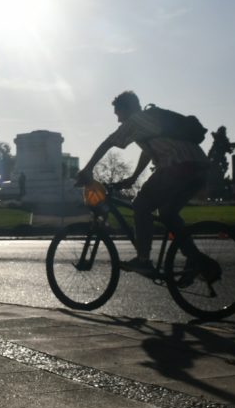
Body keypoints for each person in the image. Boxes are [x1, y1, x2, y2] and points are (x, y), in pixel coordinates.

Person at [76, 90, 209, 273]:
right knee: (168, 213)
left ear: (127, 109)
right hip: (199, 167)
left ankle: (143, 259)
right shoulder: (150, 120)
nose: (119, 120)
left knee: (141, 205)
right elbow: (148, 151)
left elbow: (109, 142)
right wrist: (133, 177)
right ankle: (196, 259)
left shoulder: (135, 120)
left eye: (118, 114)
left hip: (178, 165)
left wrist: (88, 168)